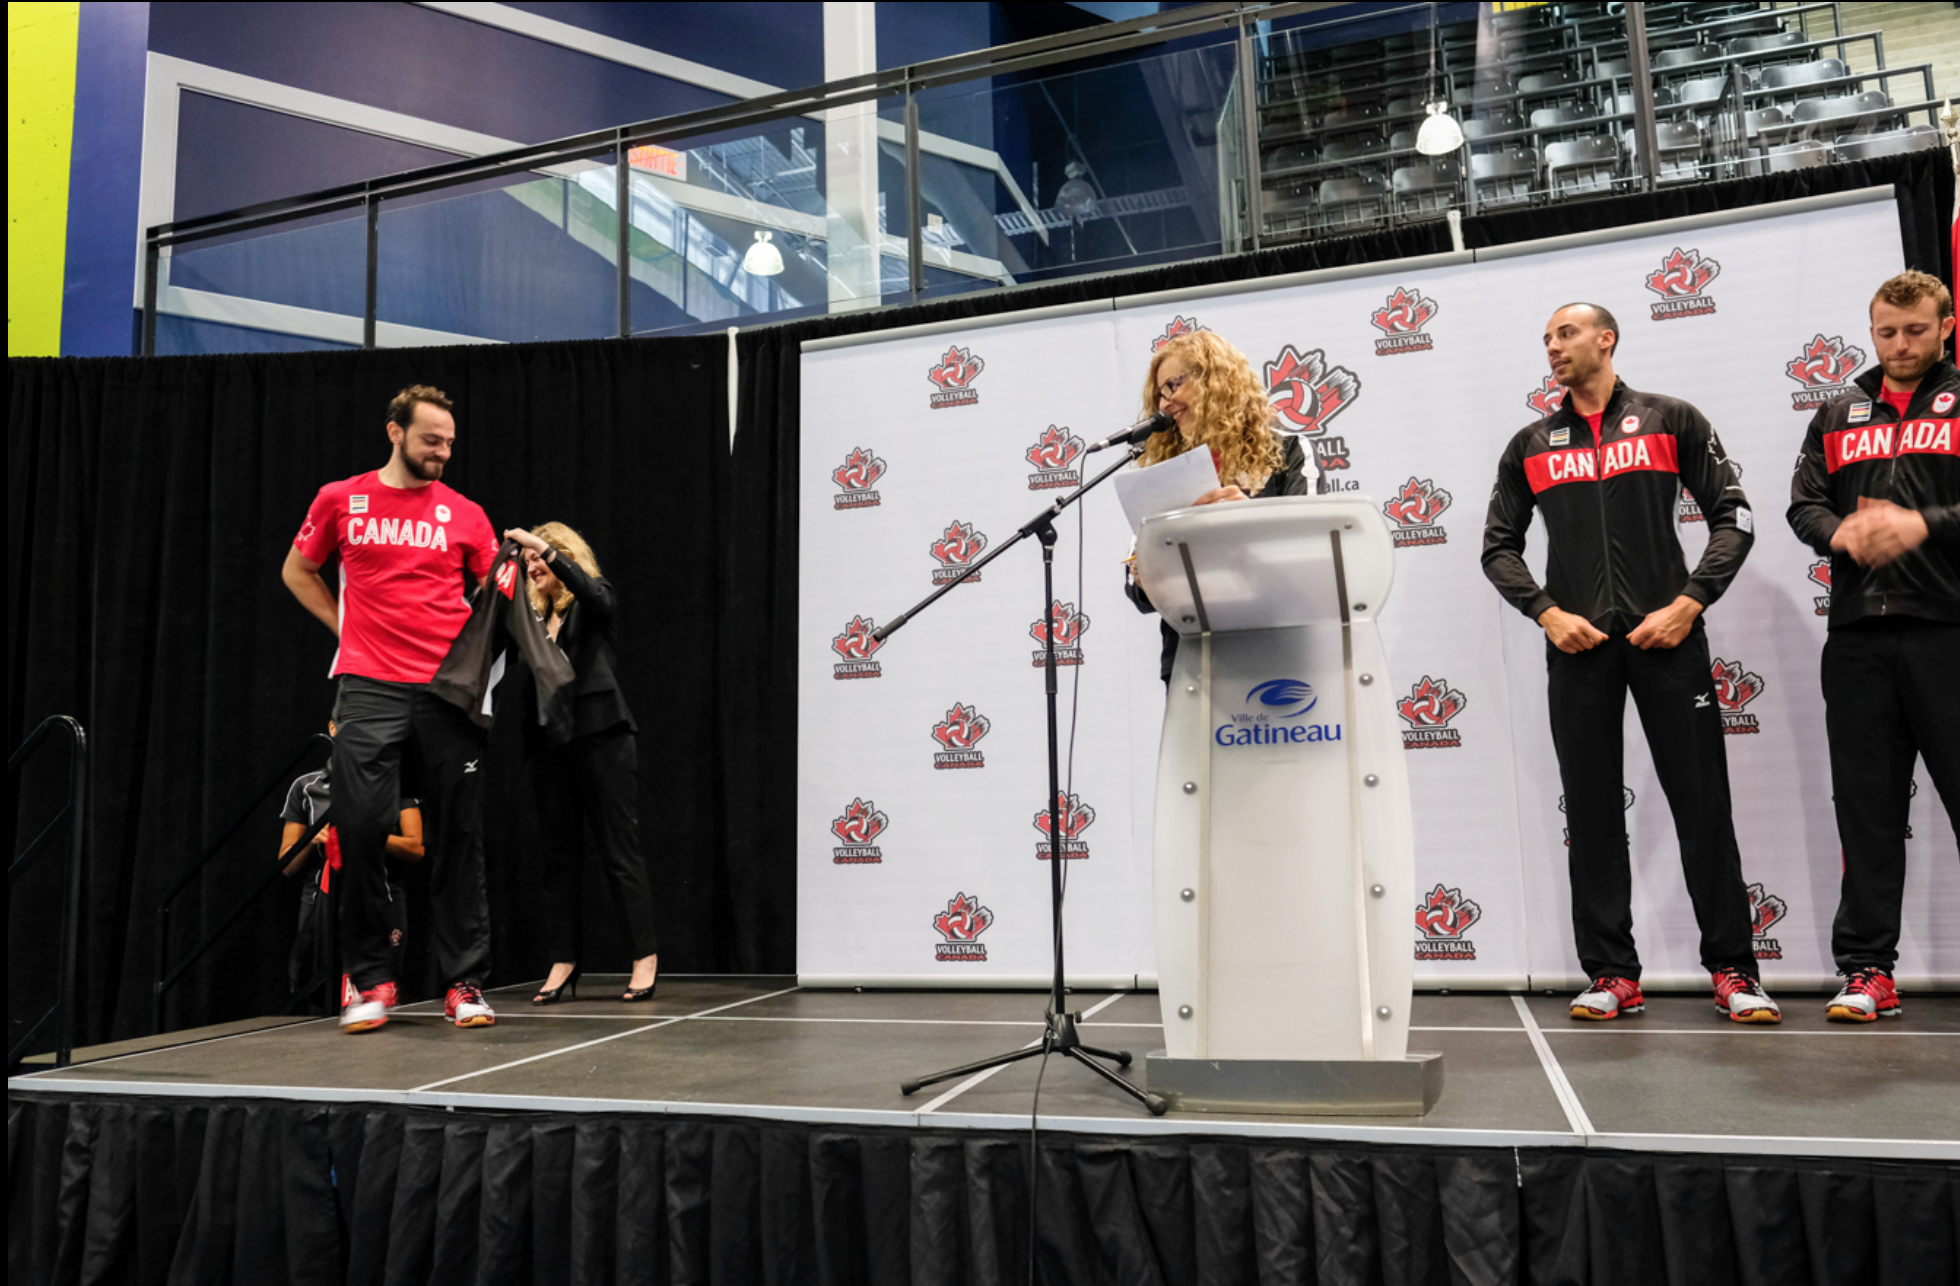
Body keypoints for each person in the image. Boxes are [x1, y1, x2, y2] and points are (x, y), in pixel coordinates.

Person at [1482, 303, 1780, 1024]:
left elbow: (1734, 517)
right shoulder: (1531, 443)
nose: (1553, 347)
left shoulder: (1671, 419)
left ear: (1606, 338)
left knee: (1703, 805)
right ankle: (1612, 974)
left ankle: (1735, 973)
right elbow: (1497, 547)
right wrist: (1547, 613)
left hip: (1669, 642)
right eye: (1546, 338)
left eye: (1566, 333)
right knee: (1590, 813)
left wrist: (1689, 602)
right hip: (1578, 650)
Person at [281, 384, 500, 1033]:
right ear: (395, 432)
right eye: (431, 439)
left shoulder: (466, 514)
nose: (442, 452)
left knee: (457, 837)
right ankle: (371, 980)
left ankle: (463, 983)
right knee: (360, 827)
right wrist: (345, 628)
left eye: (449, 443)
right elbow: (297, 570)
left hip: (446, 692)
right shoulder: (340, 499)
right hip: (369, 686)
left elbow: (496, 594)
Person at [1787, 269, 1959, 1023]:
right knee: (1866, 811)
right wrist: (1839, 534)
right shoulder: (1837, 411)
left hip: (1948, 630)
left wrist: (1925, 524)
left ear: (1946, 326)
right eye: (1886, 332)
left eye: (1915, 331)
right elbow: (1804, 504)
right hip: (1857, 637)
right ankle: (1867, 971)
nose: (1900, 345)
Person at [501, 523, 660, 1004]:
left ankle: (644, 956)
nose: (533, 567)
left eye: (539, 558)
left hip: (602, 738)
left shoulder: (593, 603)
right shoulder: (532, 617)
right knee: (559, 861)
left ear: (563, 555)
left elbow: (595, 594)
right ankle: (564, 959)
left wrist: (539, 544)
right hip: (550, 746)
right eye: (528, 562)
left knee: (619, 852)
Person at [1123, 330, 1321, 680]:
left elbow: (1310, 555)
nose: (1164, 404)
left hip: (1275, 650)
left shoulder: (1289, 450)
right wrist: (1145, 574)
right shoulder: (1166, 471)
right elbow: (1138, 597)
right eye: (1158, 395)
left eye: (1172, 386)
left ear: (1214, 380)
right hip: (1191, 660)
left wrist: (1247, 521)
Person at [277, 720, 423, 993]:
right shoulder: (305, 786)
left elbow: (416, 848)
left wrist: (365, 835)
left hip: (382, 899)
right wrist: (313, 837)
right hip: (320, 903)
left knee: (380, 991)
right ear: (332, 728)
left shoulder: (396, 783)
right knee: (318, 993)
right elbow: (286, 864)